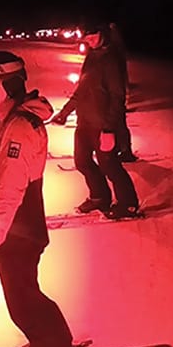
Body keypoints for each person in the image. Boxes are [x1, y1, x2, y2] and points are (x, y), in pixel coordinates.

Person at [0, 51, 92, 347]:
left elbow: (11, 195)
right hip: (16, 225)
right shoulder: (9, 119)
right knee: (25, 296)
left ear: (9, 82)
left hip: (18, 228)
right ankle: (50, 345)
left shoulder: (19, 126)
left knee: (23, 302)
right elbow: (0, 181)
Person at [51, 24, 141, 219]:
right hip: (84, 122)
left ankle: (129, 204)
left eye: (92, 36)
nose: (89, 41)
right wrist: (65, 112)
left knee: (110, 165)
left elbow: (117, 97)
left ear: (102, 33)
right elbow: (82, 89)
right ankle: (100, 197)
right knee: (82, 161)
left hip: (103, 125)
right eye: (87, 38)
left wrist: (109, 128)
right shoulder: (92, 56)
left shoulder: (111, 60)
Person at [108, 22, 137, 162]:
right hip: (117, 90)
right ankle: (120, 147)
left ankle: (125, 150)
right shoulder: (116, 49)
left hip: (116, 91)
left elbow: (120, 74)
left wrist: (123, 91)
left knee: (118, 122)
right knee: (117, 122)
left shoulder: (115, 50)